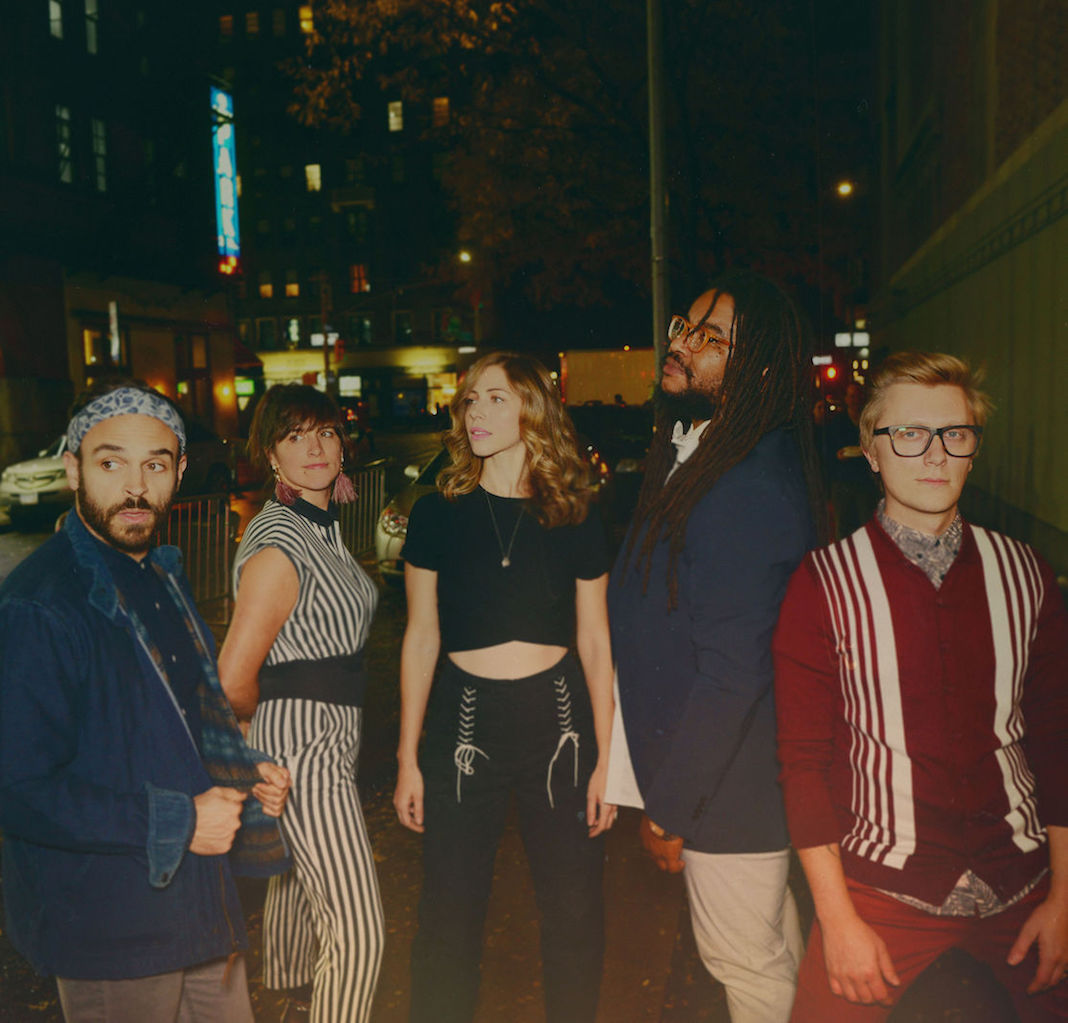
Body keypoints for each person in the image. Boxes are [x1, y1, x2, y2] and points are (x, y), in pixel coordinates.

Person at [774, 351, 1068, 1022]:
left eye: (954, 434)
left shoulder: (1026, 573)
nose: (934, 454)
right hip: (882, 889)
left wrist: (1065, 899)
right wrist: (837, 919)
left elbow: (1056, 740)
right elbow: (803, 762)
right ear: (871, 451)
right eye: (909, 433)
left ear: (972, 449)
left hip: (1022, 877)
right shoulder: (823, 584)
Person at [0, 380, 290, 1023]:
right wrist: (178, 822)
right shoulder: (41, 605)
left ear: (181, 470)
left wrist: (242, 768)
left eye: (155, 464)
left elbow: (174, 721)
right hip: (112, 928)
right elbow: (17, 789)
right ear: (73, 467)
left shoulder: (159, 574)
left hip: (201, 908)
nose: (136, 487)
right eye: (111, 463)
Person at [607, 270, 825, 1022]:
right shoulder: (700, 451)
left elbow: (734, 674)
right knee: (770, 956)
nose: (682, 344)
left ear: (758, 368)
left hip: (729, 794)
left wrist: (672, 806)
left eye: (709, 337)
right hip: (726, 786)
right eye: (683, 326)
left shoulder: (744, 485)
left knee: (746, 963)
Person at [395, 351, 616, 1023]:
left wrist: (610, 760)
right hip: (466, 723)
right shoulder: (437, 514)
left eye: (494, 397)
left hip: (560, 723)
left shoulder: (574, 512)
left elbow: (596, 640)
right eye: (470, 400)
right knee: (449, 911)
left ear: (532, 408)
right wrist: (408, 756)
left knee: (574, 908)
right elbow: (421, 636)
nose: (477, 411)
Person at [218, 384, 383, 1023]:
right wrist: (276, 738)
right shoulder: (280, 540)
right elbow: (233, 676)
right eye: (294, 436)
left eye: (326, 432)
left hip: (323, 737)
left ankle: (291, 1002)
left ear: (343, 442)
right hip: (303, 743)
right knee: (358, 929)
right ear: (270, 454)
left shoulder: (321, 527)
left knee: (301, 898)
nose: (314, 447)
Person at [824, 380, 879, 536]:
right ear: (846, 399)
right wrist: (838, 456)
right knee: (843, 524)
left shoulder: (869, 422)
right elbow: (829, 452)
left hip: (865, 481)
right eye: (852, 396)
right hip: (843, 482)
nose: (855, 400)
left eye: (858, 396)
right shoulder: (837, 423)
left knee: (866, 523)